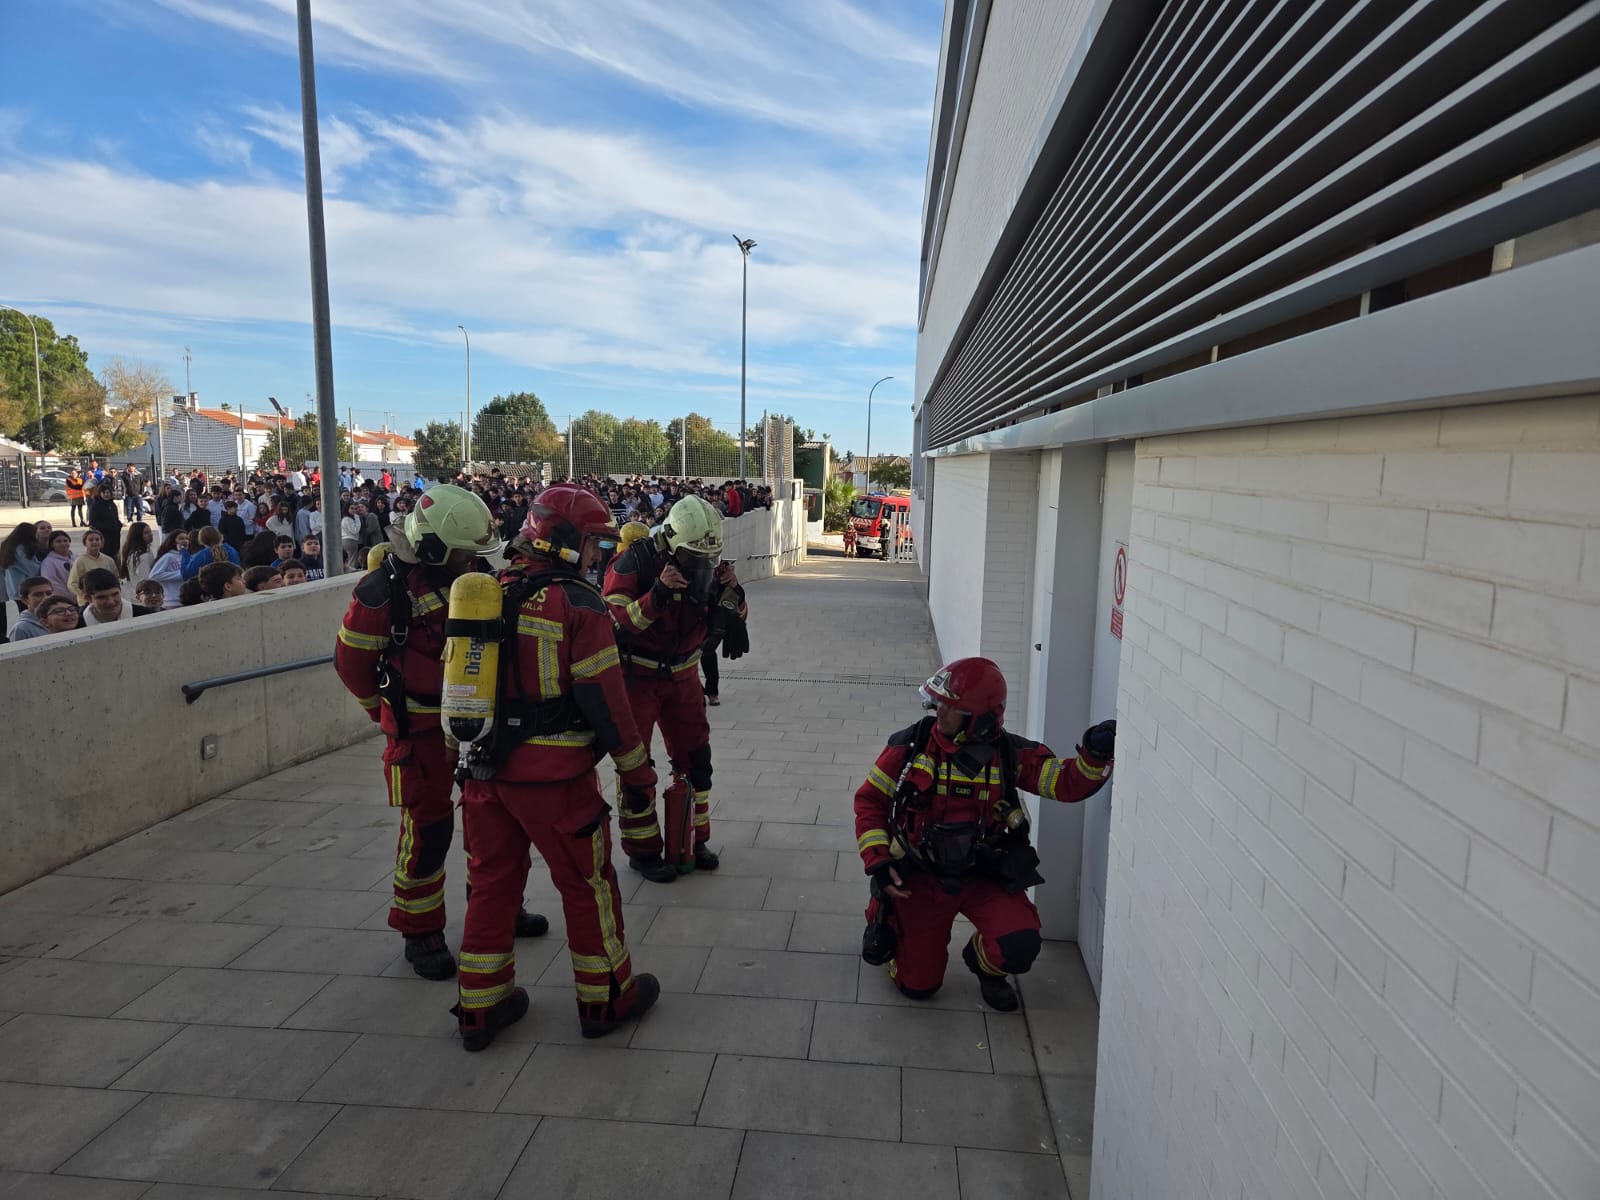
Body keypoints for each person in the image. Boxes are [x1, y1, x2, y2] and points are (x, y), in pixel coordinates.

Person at [452, 484, 660, 1050]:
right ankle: (605, 998)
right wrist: (638, 773)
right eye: (594, 545)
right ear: (565, 539)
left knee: (492, 885)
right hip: (554, 782)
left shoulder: (489, 589)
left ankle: (480, 1005)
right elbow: (608, 703)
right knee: (587, 885)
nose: (598, 557)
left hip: (484, 775)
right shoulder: (578, 603)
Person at [334, 484, 548, 982]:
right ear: (432, 548)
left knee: (497, 829)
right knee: (428, 832)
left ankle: (497, 909)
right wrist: (384, 716)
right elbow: (352, 665)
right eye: (464, 553)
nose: (474, 561)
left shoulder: (475, 576)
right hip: (422, 733)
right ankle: (420, 929)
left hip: (483, 726)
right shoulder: (381, 591)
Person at [854, 658, 1115, 1011]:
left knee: (1019, 944)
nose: (939, 713)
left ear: (982, 719)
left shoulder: (1009, 754)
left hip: (983, 874)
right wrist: (879, 862)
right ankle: (885, 915)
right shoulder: (910, 747)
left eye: (951, 707)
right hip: (922, 876)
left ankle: (986, 967)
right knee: (918, 987)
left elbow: (1066, 783)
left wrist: (1095, 756)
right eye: (939, 703)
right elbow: (870, 801)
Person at [603, 494, 744, 881]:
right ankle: (643, 850)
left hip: (684, 678)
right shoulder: (634, 562)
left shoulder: (708, 564)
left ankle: (694, 839)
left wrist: (734, 596)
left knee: (697, 761)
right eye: (693, 558)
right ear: (669, 542)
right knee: (636, 767)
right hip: (639, 680)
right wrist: (656, 597)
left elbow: (727, 610)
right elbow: (611, 624)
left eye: (709, 559)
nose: (701, 566)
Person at [81, 568, 158, 624]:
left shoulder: (146, 616)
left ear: (120, 591)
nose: (111, 602)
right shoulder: (79, 624)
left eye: (115, 594)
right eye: (102, 597)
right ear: (88, 598)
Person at [67, 529, 118, 603]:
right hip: (88, 602)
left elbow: (116, 578)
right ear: (85, 543)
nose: (94, 542)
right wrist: (87, 595)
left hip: (108, 601)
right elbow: (72, 584)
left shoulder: (109, 560)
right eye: (91, 540)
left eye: (97, 539)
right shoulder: (80, 561)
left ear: (101, 542)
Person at [147, 530, 191, 609]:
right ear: (174, 542)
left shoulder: (187, 556)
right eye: (181, 538)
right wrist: (180, 575)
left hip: (186, 600)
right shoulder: (168, 557)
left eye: (187, 538)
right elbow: (154, 575)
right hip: (171, 601)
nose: (185, 541)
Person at [6, 576, 56, 641]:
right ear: (24, 599)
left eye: (49, 594)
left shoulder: (65, 618)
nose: (46, 598)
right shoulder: (22, 629)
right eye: (38, 595)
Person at [87, 484, 122, 555]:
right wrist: (108, 526)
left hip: (114, 536)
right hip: (103, 536)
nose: (106, 495)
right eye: (104, 493)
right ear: (100, 493)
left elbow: (116, 518)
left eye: (108, 493)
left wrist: (118, 525)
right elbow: (93, 522)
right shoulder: (96, 506)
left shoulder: (112, 504)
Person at [41, 530, 75, 595]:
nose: (63, 543)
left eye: (65, 541)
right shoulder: (48, 562)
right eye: (58, 541)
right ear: (52, 544)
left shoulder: (76, 558)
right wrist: (70, 596)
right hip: (63, 599)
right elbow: (52, 583)